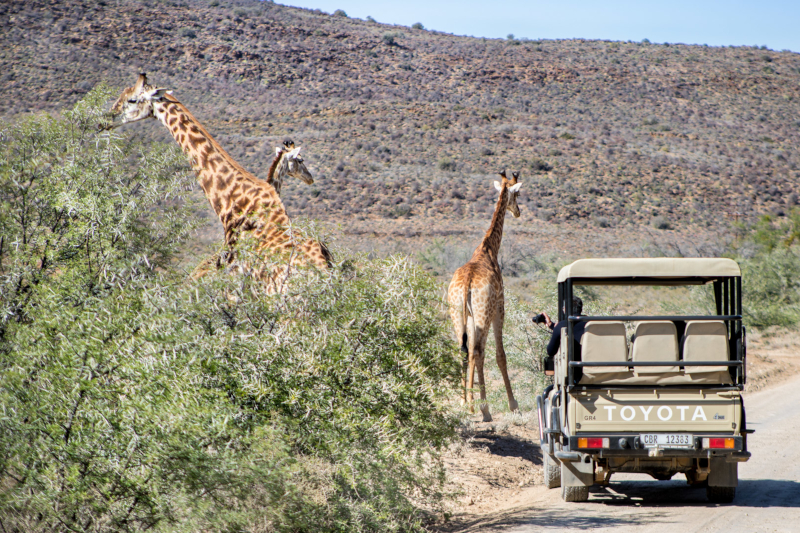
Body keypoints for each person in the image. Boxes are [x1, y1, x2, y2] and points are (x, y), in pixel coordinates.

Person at [536, 297, 585, 374]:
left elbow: (551, 351)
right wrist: (551, 325)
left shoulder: (562, 325)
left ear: (566, 309)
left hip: (576, 374)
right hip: (596, 370)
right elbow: (577, 330)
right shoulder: (591, 323)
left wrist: (556, 327)